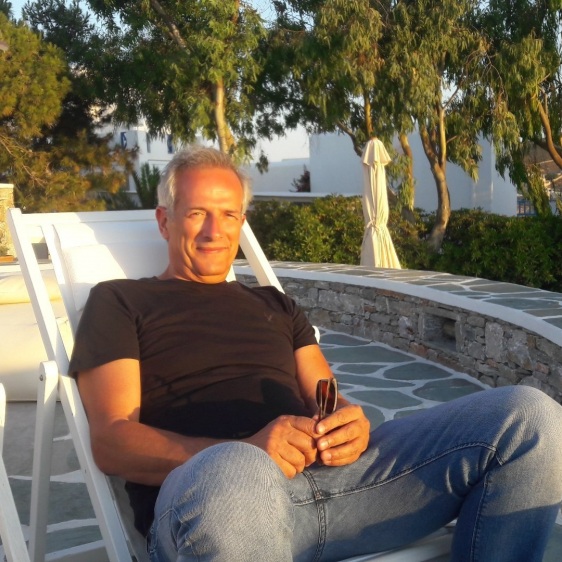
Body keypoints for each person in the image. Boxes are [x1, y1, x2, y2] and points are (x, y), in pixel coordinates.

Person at [70, 146, 562, 562]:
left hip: (341, 489)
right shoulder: (120, 301)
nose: (213, 231)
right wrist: (246, 451)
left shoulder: (275, 304)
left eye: (229, 215)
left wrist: (350, 422)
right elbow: (112, 441)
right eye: (198, 212)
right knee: (235, 468)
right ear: (165, 220)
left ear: (242, 222)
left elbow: (326, 395)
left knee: (530, 415)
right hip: (216, 501)